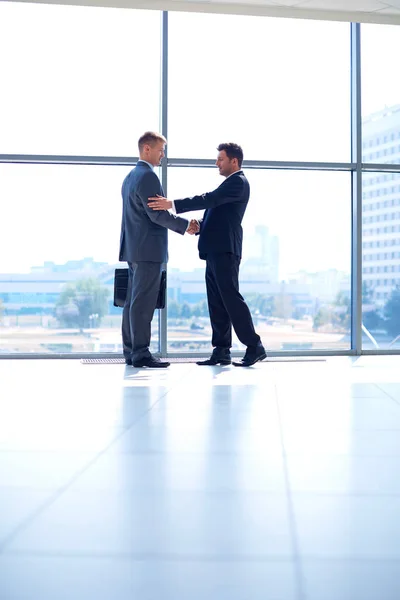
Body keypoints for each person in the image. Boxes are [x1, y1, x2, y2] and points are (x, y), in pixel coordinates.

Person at [148, 142, 266, 367]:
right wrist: (198, 225)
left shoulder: (238, 183)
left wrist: (172, 204)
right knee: (217, 301)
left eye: (221, 159)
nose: (217, 164)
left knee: (231, 299)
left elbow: (208, 199)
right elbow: (217, 216)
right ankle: (221, 350)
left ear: (234, 161)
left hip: (226, 250)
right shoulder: (228, 186)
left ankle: (254, 346)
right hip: (214, 250)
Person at [119, 131, 199, 368]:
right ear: (147, 149)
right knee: (143, 303)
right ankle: (141, 354)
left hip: (134, 249)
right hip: (148, 251)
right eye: (160, 150)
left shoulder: (130, 177)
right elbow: (156, 214)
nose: (163, 155)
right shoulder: (148, 177)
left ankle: (131, 351)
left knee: (132, 303)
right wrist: (186, 227)